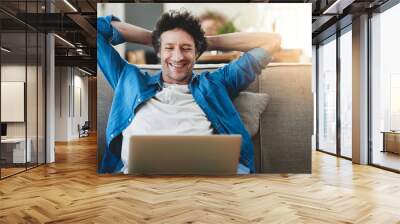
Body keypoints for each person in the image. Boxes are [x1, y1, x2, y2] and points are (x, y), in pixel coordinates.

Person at [97, 9, 281, 174]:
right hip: (139, 184)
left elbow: (272, 42)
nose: (177, 57)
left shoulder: (217, 83)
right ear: (158, 52)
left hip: (206, 183)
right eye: (169, 48)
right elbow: (96, 29)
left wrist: (206, 42)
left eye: (186, 48)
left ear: (196, 54)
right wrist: (155, 39)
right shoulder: (129, 80)